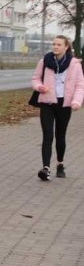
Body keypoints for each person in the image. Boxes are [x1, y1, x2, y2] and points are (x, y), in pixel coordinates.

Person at [31, 35, 84, 181]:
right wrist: (39, 86)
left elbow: (80, 85)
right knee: (48, 135)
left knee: (60, 135)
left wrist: (77, 101)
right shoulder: (45, 61)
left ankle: (60, 164)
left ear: (66, 47)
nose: (55, 46)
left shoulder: (74, 64)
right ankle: (46, 168)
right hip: (47, 102)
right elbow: (35, 78)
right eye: (54, 44)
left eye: (59, 44)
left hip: (64, 104)